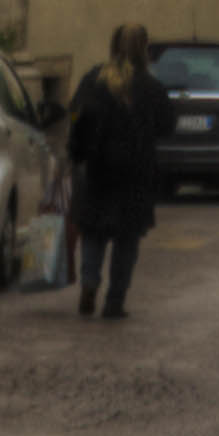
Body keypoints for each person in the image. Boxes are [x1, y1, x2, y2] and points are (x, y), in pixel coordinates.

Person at [66, 23, 170, 319]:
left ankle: (89, 283)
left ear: (113, 46)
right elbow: (167, 125)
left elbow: (75, 112)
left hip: (97, 170)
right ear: (144, 49)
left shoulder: (93, 79)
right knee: (127, 239)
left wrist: (76, 152)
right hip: (136, 175)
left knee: (93, 233)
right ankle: (115, 300)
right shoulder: (151, 88)